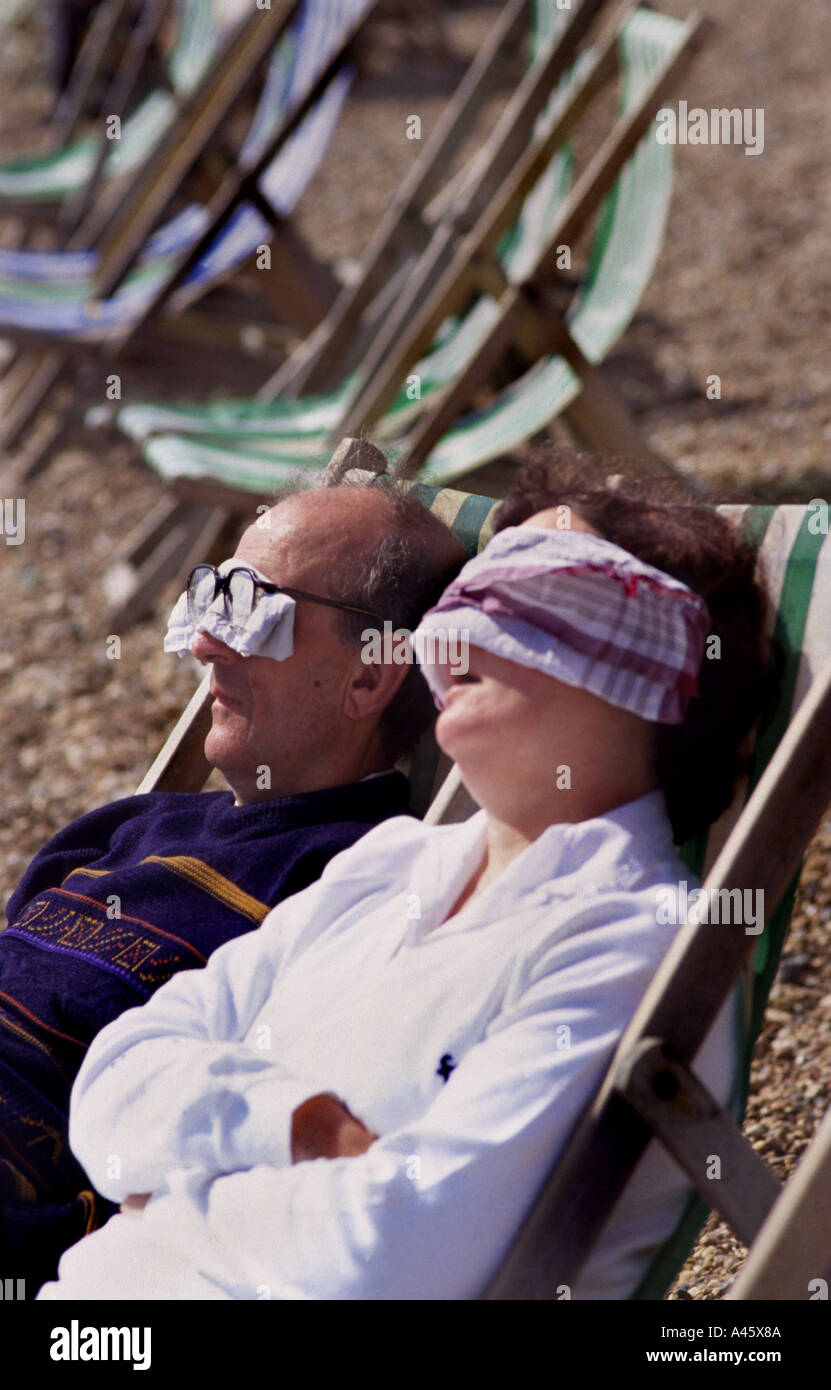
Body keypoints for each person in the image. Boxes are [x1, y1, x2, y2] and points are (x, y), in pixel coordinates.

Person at [39, 454, 775, 1300]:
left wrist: (178, 1202)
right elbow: (113, 1089)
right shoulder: (388, 863)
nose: (457, 617)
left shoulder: (627, 936)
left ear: (643, 663)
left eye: (523, 586)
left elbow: (387, 1261)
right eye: (473, 582)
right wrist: (299, 1126)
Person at [0, 474, 466, 1289]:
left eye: (259, 611)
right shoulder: (125, 828)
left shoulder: (353, 887)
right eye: (213, 596)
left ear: (369, 677)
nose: (207, 642)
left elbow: (248, 1150)